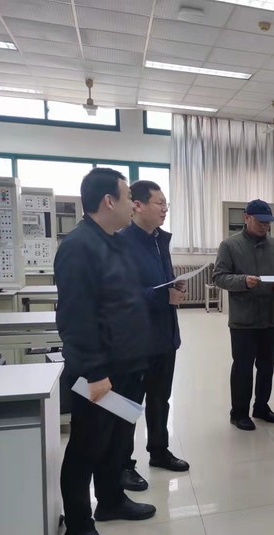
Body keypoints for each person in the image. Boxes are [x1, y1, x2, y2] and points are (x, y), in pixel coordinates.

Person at [55, 168, 156, 535]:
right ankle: (79, 529)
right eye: (128, 197)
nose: (133, 204)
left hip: (127, 365)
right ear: (108, 201)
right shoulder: (79, 247)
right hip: (99, 372)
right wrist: (95, 373)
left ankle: (111, 500)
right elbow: (76, 319)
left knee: (116, 441)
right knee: (87, 447)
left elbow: (122, 300)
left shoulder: (113, 241)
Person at [117, 180, 190, 493]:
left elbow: (158, 283)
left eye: (166, 203)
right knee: (128, 403)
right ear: (137, 205)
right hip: (135, 340)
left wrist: (174, 287)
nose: (165, 209)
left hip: (164, 336)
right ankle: (122, 464)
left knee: (161, 399)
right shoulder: (121, 242)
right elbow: (122, 294)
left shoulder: (161, 240)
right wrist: (163, 296)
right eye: (159, 203)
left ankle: (159, 451)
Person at [212, 199, 274, 431]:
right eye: (260, 221)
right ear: (246, 218)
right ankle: (238, 413)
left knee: (267, 366)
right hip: (244, 319)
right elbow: (219, 277)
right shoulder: (230, 245)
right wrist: (243, 281)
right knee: (243, 368)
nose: (265, 226)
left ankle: (261, 407)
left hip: (270, 316)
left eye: (268, 222)